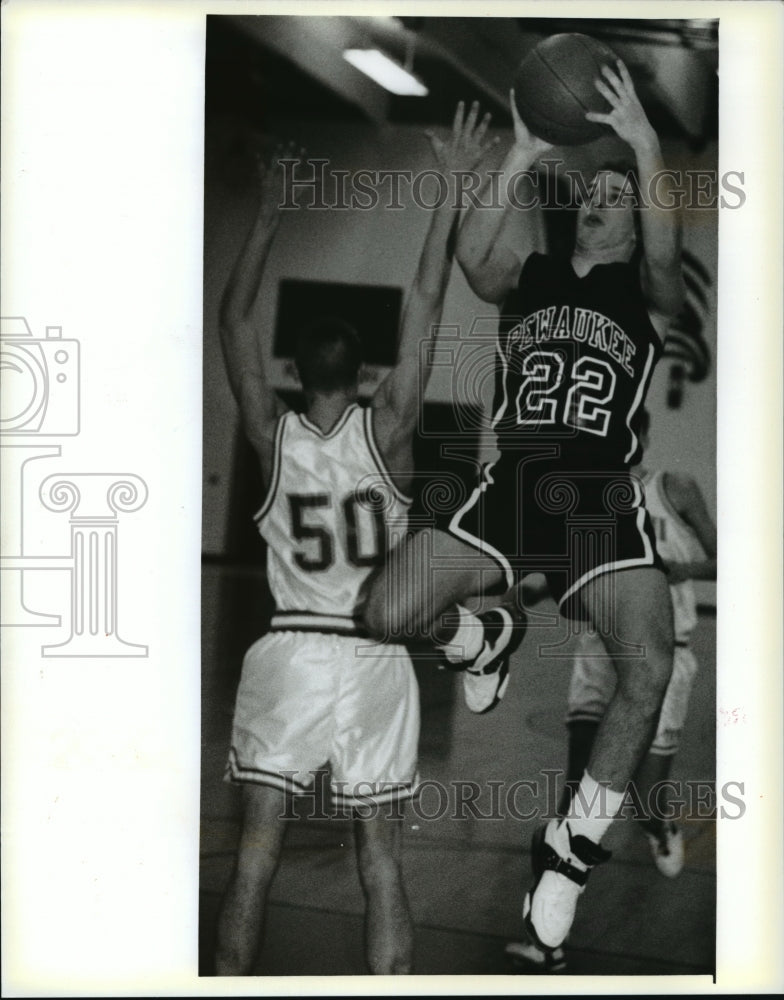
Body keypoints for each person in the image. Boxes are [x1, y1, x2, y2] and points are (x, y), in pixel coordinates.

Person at [362, 59, 684, 953]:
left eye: (617, 195)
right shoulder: (532, 275)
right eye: (593, 192)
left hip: (598, 503)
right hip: (513, 488)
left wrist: (644, 143)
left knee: (647, 672)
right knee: (386, 610)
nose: (600, 202)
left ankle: (571, 855)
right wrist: (522, 153)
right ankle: (483, 638)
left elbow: (665, 249)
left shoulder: (644, 294)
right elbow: (472, 257)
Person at [214, 104, 498, 976]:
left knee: (257, 857)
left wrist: (269, 213)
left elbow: (233, 325)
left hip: (290, 655)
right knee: (382, 861)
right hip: (376, 661)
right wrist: (447, 192)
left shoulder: (271, 436)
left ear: (293, 373)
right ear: (365, 374)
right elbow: (424, 301)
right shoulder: (394, 429)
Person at [506, 408, 717, 972]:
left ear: (640, 437)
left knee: (644, 796)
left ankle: (659, 822)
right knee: (574, 794)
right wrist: (516, 593)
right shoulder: (582, 494)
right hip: (599, 652)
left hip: (663, 655)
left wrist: (678, 567)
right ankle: (546, 938)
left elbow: (728, 559)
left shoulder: (674, 489)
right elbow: (558, 576)